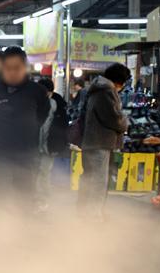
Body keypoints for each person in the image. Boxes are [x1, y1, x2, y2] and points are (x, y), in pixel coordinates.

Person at [0, 46, 50, 212]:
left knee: (25, 194)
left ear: (25, 67)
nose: (12, 72)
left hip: (26, 152)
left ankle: (23, 223)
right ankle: (2, 225)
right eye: (8, 68)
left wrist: (29, 129)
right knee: (2, 196)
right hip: (1, 153)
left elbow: (42, 114)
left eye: (17, 68)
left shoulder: (37, 92)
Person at [78, 62, 130, 221]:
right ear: (119, 80)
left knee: (89, 178)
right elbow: (113, 118)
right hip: (100, 142)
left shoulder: (95, 90)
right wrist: (125, 122)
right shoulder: (106, 91)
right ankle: (93, 215)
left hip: (90, 141)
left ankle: (83, 212)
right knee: (98, 181)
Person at [36, 78, 69, 211]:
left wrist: (57, 146)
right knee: (36, 173)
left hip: (49, 146)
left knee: (43, 173)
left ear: (50, 92)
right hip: (34, 145)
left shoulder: (58, 104)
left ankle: (43, 200)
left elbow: (62, 127)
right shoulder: (34, 102)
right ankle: (36, 199)